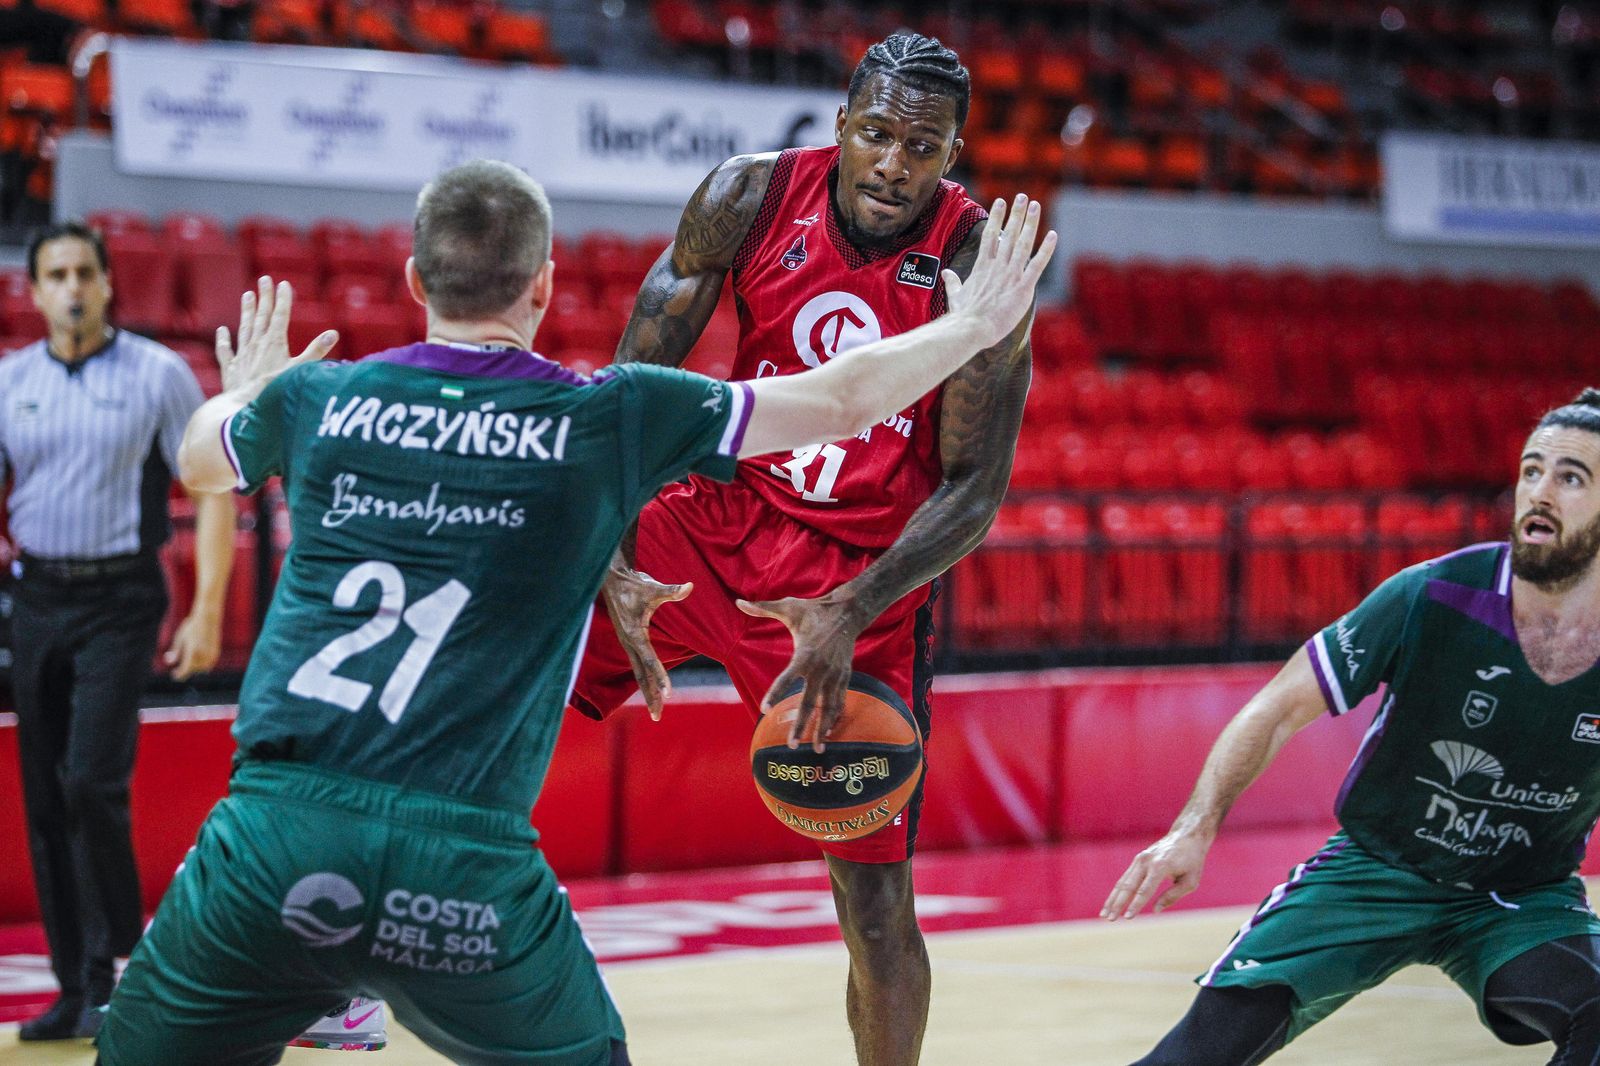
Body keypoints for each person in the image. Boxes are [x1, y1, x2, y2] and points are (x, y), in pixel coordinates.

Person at [93, 160, 1053, 1065]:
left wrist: (247, 393)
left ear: (415, 279)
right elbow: (841, 401)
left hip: (268, 836)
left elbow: (199, 457)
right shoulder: (605, 414)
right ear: (545, 286)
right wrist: (973, 324)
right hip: (455, 858)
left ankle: (327, 982)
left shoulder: (317, 398)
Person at [569, 33, 1031, 1065]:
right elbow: (629, 395)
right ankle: (349, 930)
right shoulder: (748, 197)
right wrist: (605, 555)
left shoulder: (974, 262)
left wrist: (852, 609)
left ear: (952, 153)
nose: (893, 164)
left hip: (857, 578)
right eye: (877, 134)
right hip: (714, 520)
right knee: (505, 659)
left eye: (922, 146)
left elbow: (974, 489)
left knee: (873, 905)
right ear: (841, 123)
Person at [1103, 388, 1600, 1065]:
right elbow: (1277, 708)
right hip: (1374, 871)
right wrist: (1195, 826)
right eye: (1531, 470)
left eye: (1571, 478)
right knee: (1195, 1055)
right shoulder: (1432, 593)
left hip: (1521, 896)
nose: (1539, 492)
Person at [0, 221, 234, 1041]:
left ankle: (119, 973)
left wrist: (207, 609)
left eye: (84, 273)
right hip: (37, 598)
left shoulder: (157, 374)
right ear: (34, 291)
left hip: (120, 600)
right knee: (43, 794)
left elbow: (212, 487)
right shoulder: (10, 380)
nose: (71, 287)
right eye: (56, 275)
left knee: (91, 782)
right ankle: (74, 988)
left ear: (106, 284)